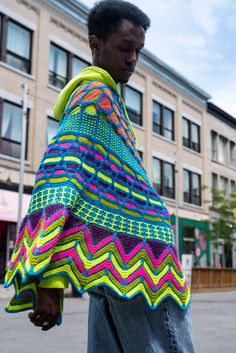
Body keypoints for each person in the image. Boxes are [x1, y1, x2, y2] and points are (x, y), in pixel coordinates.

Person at [4, 1, 195, 352]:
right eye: (124, 48)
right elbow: (60, 181)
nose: (132, 59)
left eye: (138, 51)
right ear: (95, 45)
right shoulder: (95, 98)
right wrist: (49, 277)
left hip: (117, 260)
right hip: (142, 265)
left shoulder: (107, 101)